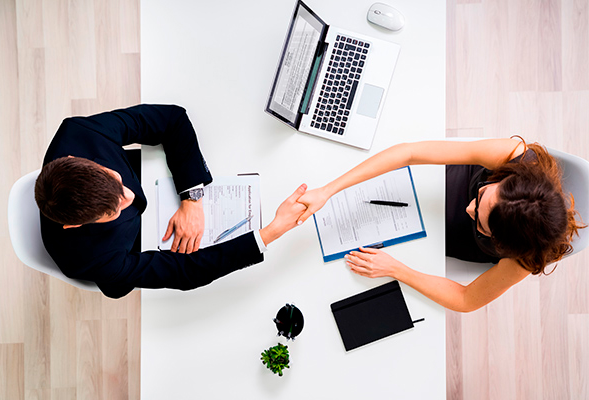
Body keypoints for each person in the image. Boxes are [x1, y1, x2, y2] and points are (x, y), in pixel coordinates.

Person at [35, 104, 306, 299]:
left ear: (76, 160)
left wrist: (192, 198)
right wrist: (271, 232)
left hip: (157, 180)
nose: (128, 196)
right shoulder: (95, 260)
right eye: (113, 210)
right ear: (75, 226)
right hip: (134, 250)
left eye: (116, 181)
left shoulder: (80, 134)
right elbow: (183, 273)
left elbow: (172, 120)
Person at [296, 138, 584, 312]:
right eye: (482, 194)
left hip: (446, 239)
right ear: (507, 177)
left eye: (482, 222)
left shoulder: (526, 255)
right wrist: (329, 190)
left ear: (503, 243)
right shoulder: (515, 156)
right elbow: (410, 153)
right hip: (436, 186)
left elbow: (467, 299)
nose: (470, 207)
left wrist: (396, 269)